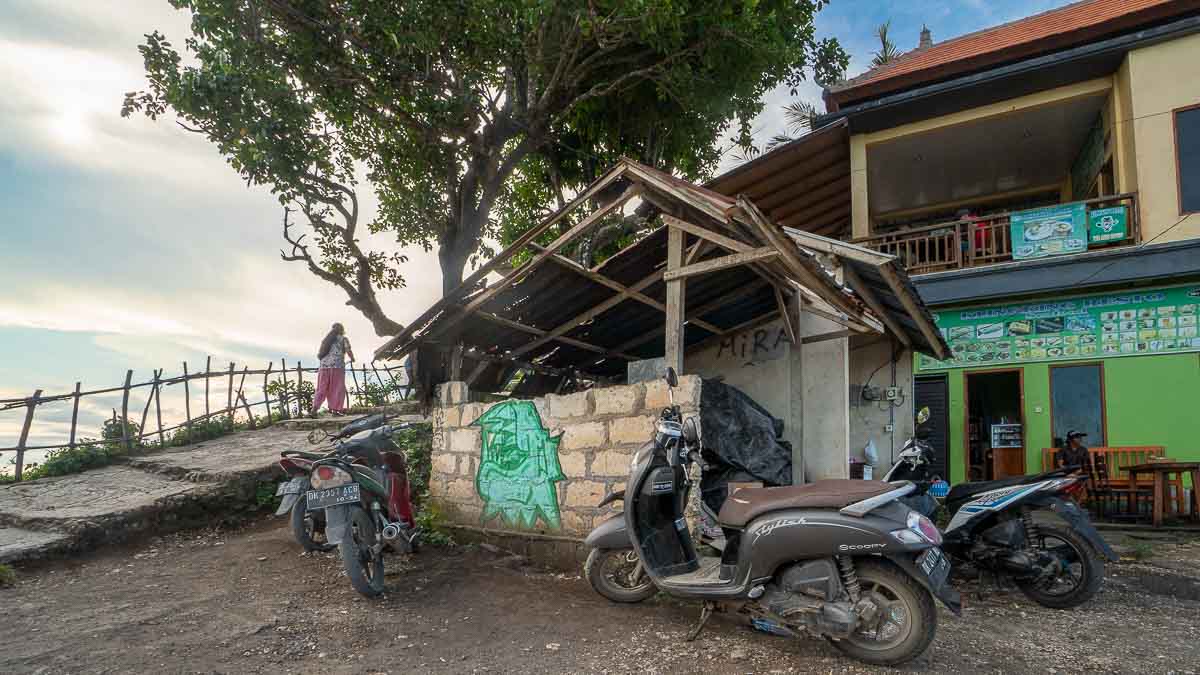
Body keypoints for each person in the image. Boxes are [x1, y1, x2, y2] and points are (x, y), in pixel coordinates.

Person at [312, 322, 354, 416]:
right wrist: (352, 358)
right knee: (337, 388)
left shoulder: (326, 340)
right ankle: (335, 410)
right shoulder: (343, 339)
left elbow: (321, 353)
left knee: (321, 388)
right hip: (337, 367)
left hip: (324, 367)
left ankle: (314, 410)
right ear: (342, 330)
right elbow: (348, 350)